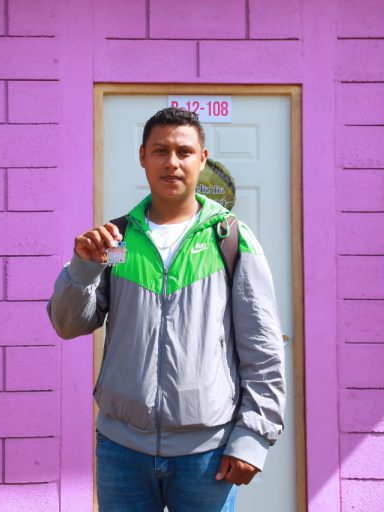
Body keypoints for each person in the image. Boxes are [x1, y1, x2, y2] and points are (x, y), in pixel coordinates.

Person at [47, 107, 286, 511]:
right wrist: (83, 267)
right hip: (121, 451)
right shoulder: (117, 240)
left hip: (207, 455)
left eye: (184, 151)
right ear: (143, 156)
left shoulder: (230, 238)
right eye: (160, 150)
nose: (172, 162)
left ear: (202, 159)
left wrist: (252, 439)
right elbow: (68, 324)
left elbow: (263, 350)